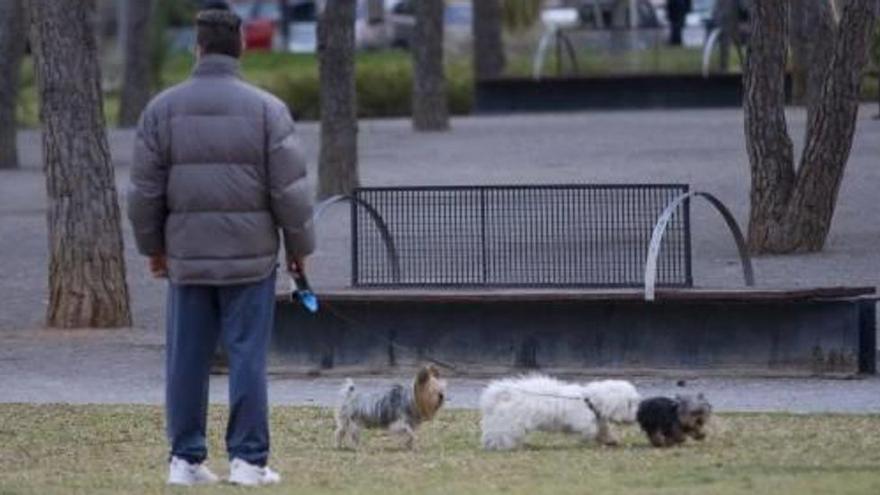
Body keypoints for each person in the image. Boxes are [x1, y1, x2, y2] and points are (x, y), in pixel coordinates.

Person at [127, 5, 315, 487]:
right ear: (243, 47)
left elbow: (145, 192)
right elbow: (289, 193)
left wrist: (153, 247)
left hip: (187, 259)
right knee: (247, 358)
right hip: (250, 260)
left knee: (185, 359)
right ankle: (249, 461)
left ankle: (185, 459)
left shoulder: (161, 110)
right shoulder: (268, 110)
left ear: (198, 47)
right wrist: (298, 248)